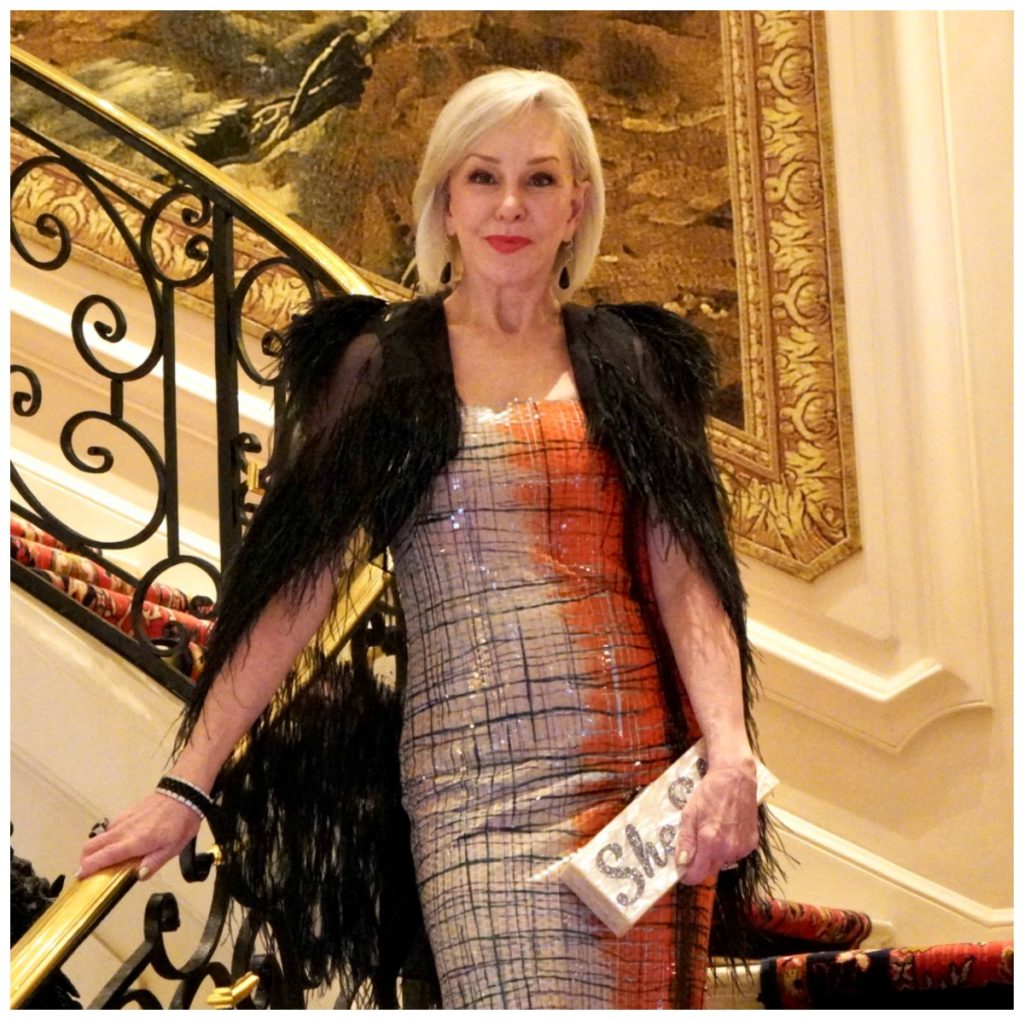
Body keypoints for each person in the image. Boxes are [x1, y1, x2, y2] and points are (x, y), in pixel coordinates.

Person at [79, 69, 770, 1009]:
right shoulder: (380, 362)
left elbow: (685, 570)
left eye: (540, 179)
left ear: (579, 205)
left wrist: (729, 756)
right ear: (445, 198)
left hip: (643, 784)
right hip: (473, 793)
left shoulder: (630, 359)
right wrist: (188, 783)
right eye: (483, 177)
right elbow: (296, 584)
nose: (510, 205)